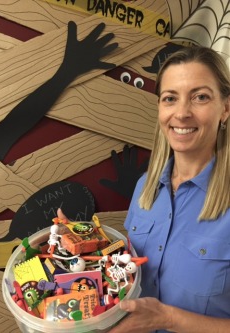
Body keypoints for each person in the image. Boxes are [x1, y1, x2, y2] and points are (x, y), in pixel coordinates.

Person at [109, 46, 230, 333]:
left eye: (200, 97)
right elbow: (126, 270)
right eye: (170, 98)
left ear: (225, 108)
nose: (182, 113)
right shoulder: (145, 186)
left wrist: (168, 319)